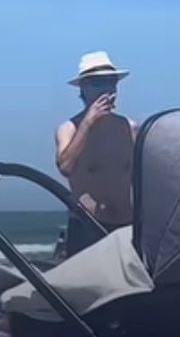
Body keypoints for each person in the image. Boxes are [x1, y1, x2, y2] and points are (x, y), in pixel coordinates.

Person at [54, 52, 137, 256]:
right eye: (98, 83)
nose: (106, 89)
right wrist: (88, 124)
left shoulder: (129, 127)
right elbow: (66, 167)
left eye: (111, 82)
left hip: (127, 223)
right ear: (83, 88)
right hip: (88, 224)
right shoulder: (69, 129)